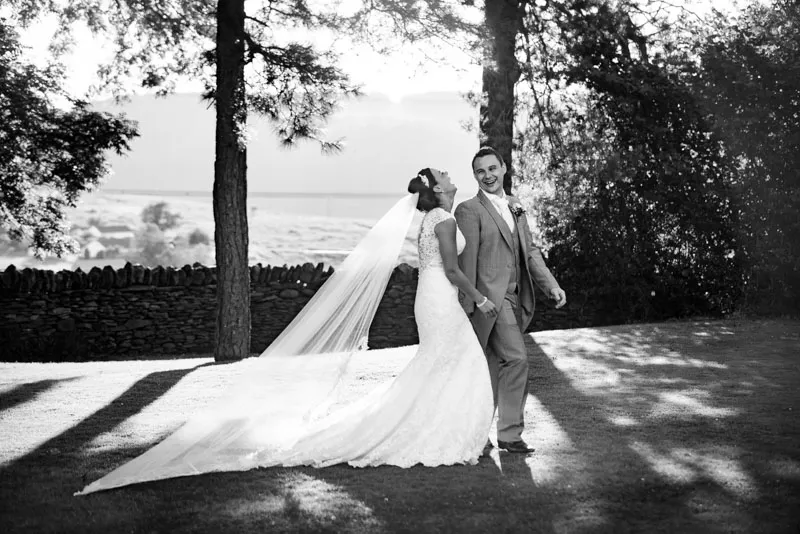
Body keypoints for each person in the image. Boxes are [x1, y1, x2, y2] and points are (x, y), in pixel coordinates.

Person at [76, 168, 497, 495]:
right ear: (437, 188)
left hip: (431, 295)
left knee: (441, 364)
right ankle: (436, 432)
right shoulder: (442, 220)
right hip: (440, 297)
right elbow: (452, 269)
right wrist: (479, 299)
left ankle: (441, 426)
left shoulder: (433, 218)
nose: (449, 174)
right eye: (444, 174)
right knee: (454, 360)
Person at [455, 146, 567, 455]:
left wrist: (551, 285)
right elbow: (468, 261)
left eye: (492, 168)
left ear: (504, 168)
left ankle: (478, 436)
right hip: (490, 301)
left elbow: (529, 252)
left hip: (516, 297)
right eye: (480, 171)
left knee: (492, 368)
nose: (487, 175)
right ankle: (509, 434)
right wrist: (469, 304)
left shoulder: (516, 205)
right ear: (474, 176)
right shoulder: (468, 210)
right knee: (517, 359)